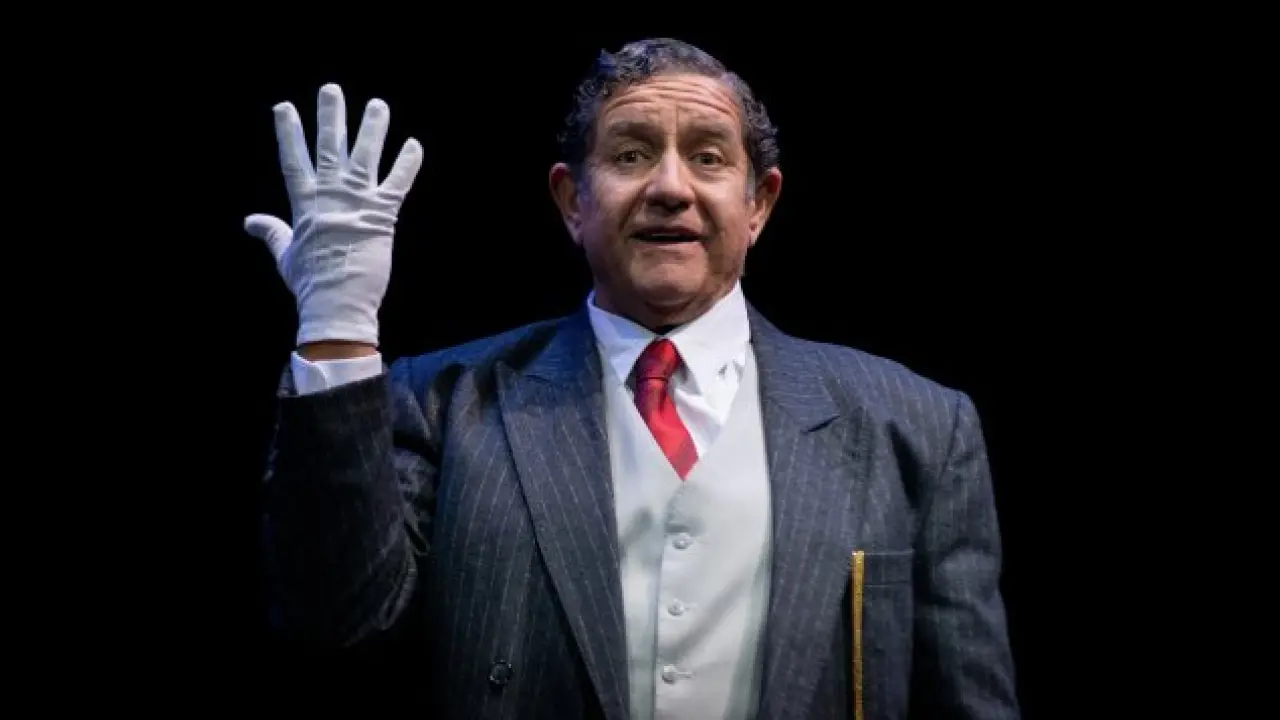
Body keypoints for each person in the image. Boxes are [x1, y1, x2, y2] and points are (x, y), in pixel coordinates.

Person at [245, 38, 1020, 720]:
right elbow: (334, 619)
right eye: (630, 155)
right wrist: (337, 328)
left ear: (759, 204)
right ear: (571, 202)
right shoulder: (446, 404)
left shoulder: (916, 428)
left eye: (709, 157)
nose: (671, 187)